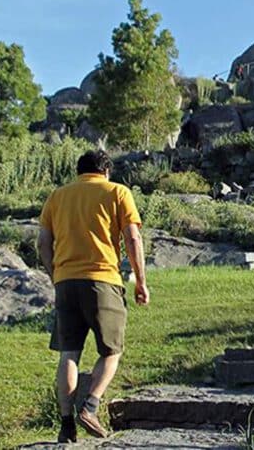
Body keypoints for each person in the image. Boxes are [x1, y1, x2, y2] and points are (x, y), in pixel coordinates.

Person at [39, 150, 149, 442]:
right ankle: (89, 407)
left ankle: (66, 425)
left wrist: (55, 275)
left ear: (79, 171)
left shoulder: (57, 196)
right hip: (103, 280)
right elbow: (133, 237)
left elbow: (42, 243)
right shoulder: (117, 192)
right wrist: (140, 281)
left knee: (69, 354)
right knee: (112, 351)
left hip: (65, 282)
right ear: (106, 171)